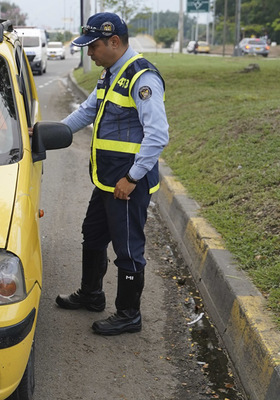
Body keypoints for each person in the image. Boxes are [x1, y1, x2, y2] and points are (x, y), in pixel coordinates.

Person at [54, 12, 169, 336]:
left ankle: (128, 314)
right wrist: (47, 134)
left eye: (93, 47)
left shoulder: (142, 77)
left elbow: (158, 135)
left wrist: (132, 178)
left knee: (128, 249)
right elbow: (87, 111)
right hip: (108, 179)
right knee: (92, 234)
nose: (88, 53)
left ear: (114, 42)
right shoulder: (110, 74)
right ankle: (91, 294)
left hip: (127, 183)